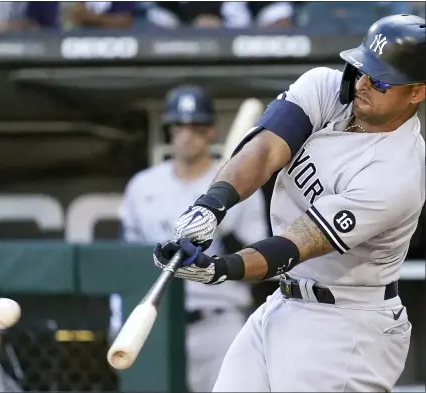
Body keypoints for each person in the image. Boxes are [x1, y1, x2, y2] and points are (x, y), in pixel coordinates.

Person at [153, 14, 425, 392]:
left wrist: (221, 268)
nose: (362, 84)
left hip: (347, 327)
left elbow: (298, 243)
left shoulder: (397, 173)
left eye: (380, 80)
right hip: (285, 302)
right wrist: (212, 203)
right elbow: (264, 152)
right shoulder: (327, 88)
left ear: (417, 92)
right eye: (361, 69)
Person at [119, 85, 268, 392]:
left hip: (218, 323)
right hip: (156, 324)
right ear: (170, 131)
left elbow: (260, 267)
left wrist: (225, 232)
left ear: (211, 131)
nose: (187, 136)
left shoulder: (238, 186)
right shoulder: (142, 186)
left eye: (196, 128)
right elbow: (125, 261)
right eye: (180, 127)